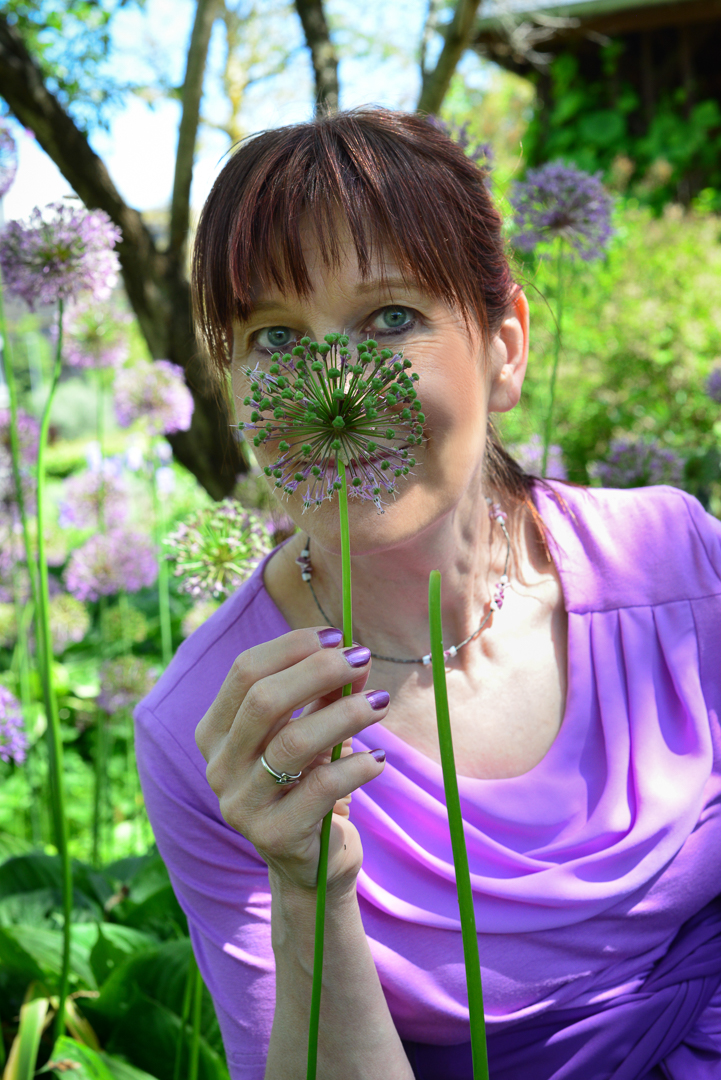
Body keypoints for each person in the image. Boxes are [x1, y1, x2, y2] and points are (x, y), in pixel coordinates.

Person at [134, 109, 721, 1080]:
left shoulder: (677, 569)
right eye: (275, 337)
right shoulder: (214, 730)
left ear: (506, 344)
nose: (338, 390)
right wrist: (306, 893)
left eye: (391, 318)